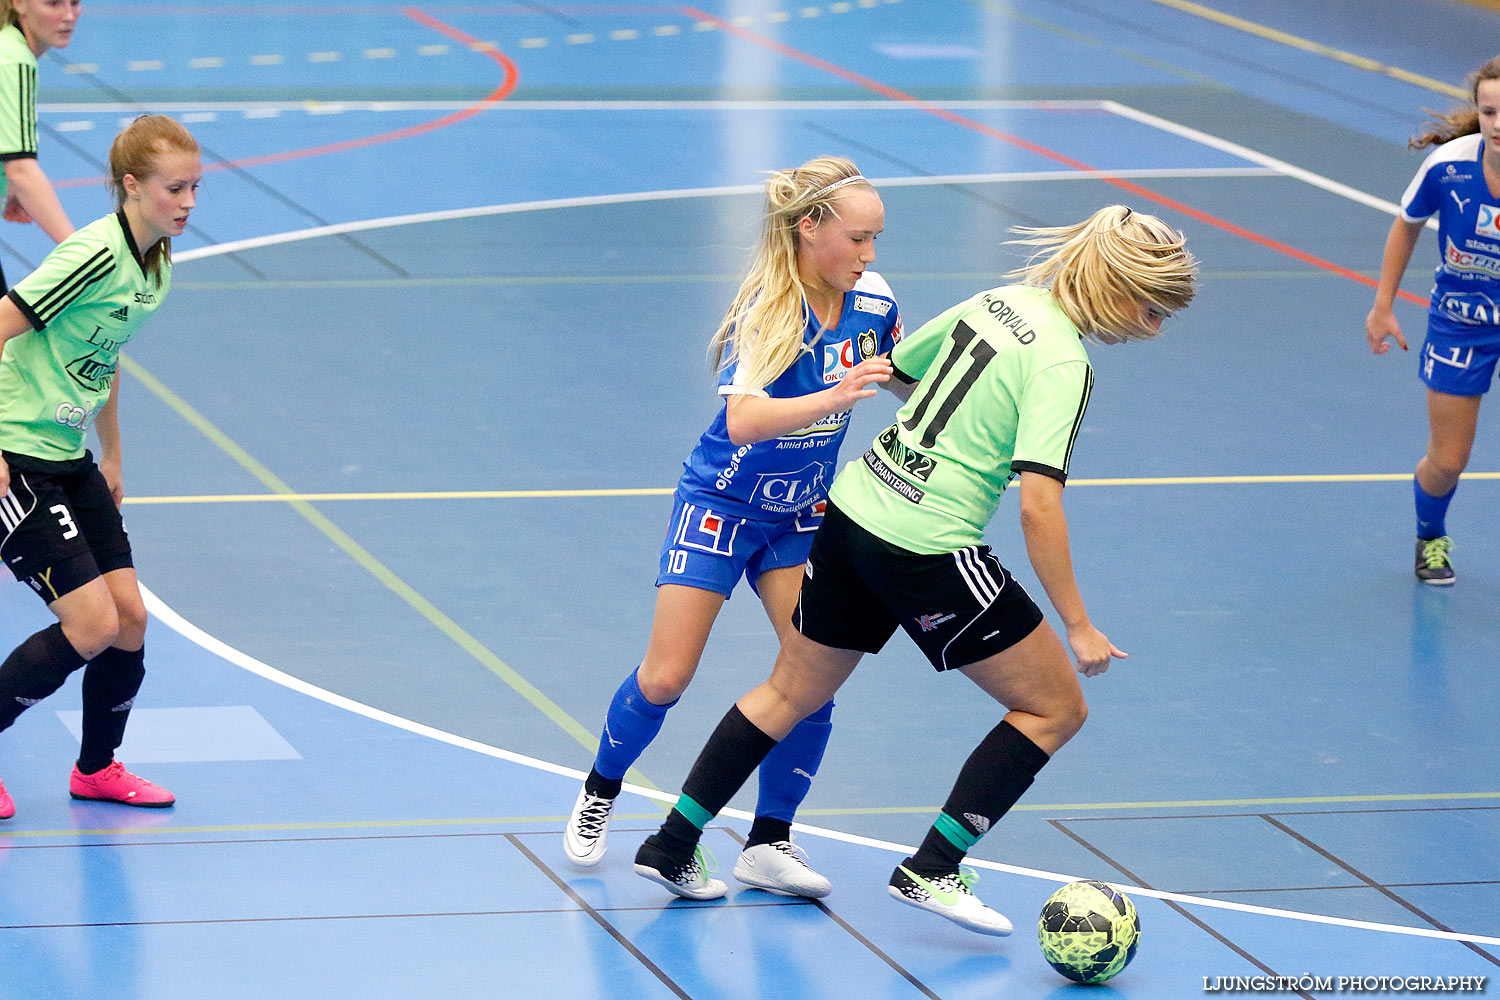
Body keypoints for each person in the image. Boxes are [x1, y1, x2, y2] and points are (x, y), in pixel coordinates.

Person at [631, 205, 1196, 936]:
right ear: (1114, 287)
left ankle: (672, 843)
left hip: (854, 511)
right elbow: (1038, 508)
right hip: (928, 548)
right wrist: (1079, 626)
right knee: (1056, 709)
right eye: (1152, 311)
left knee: (789, 690)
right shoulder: (1064, 362)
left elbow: (895, 370)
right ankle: (933, 867)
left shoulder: (1001, 302)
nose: (1152, 329)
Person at [563, 156, 903, 897]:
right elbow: (744, 419)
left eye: (877, 238)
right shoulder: (770, 309)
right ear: (810, 229)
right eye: (859, 238)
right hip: (721, 505)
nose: (871, 254)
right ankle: (600, 790)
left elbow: (898, 372)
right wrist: (834, 396)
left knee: (811, 678)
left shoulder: (873, 300)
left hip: (802, 515)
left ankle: (768, 841)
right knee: (666, 676)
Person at [0, 114, 201, 820]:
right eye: (174, 188)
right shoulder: (91, 254)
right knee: (89, 623)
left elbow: (106, 353)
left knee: (129, 622)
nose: (187, 202)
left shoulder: (157, 264)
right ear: (130, 186)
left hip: (70, 456)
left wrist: (112, 452)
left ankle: (97, 768)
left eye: (194, 188)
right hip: (16, 453)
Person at [1366, 55, 1500, 585]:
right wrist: (1382, 305)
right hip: (1460, 323)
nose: (1499, 124)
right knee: (1448, 461)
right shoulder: (1449, 165)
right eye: (1489, 112)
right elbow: (1407, 224)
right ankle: (1431, 535)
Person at [0, 0, 83, 289]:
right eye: (54, 3)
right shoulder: (13, 59)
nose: (69, 15)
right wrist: (82, 254)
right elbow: (21, 169)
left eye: (75, 3)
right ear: (19, 3)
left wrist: (11, 191)